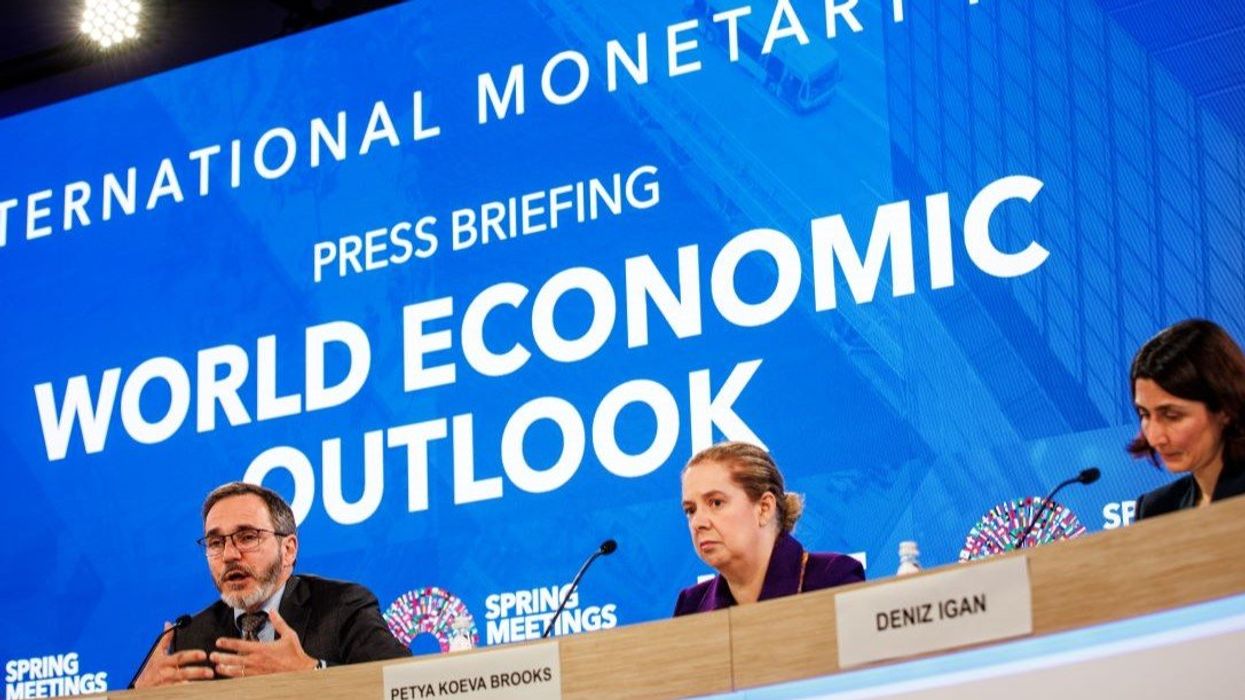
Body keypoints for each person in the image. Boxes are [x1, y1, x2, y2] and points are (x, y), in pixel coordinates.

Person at [131, 482, 411, 688]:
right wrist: (138, 697)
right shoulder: (192, 635)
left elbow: (405, 685)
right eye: (216, 543)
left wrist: (312, 672)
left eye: (248, 536)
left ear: (288, 549)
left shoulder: (343, 606)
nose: (229, 554)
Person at [674, 441, 864, 616]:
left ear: (765, 508)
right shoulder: (690, 605)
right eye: (690, 510)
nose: (698, 522)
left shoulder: (833, 577)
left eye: (716, 503)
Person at [1130, 319, 1245, 519]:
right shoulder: (1156, 509)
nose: (1156, 438)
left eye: (1172, 416)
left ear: (1225, 409)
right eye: (1145, 414)